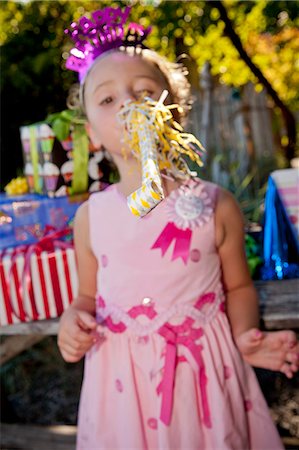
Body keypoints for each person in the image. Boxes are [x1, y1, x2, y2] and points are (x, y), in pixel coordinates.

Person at [58, 6, 299, 449]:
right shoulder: (91, 216)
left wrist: (247, 335)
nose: (130, 104)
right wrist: (73, 322)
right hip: (122, 385)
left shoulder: (214, 203)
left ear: (175, 114)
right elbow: (87, 297)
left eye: (145, 91)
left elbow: (239, 288)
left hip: (204, 374)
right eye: (108, 99)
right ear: (91, 132)